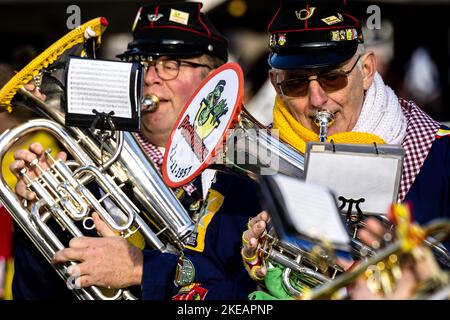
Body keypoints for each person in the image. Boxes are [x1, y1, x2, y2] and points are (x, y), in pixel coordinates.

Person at [10, 2, 261, 300]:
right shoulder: (87, 173)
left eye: (171, 64)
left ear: (213, 77)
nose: (151, 77)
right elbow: (35, 294)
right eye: (141, 62)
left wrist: (143, 269)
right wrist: (38, 219)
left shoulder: (250, 168)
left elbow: (249, 294)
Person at [241, 0, 450, 297]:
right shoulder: (250, 171)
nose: (317, 99)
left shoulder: (441, 155)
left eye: (332, 78)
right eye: (297, 83)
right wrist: (257, 267)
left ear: (365, 70)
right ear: (276, 84)